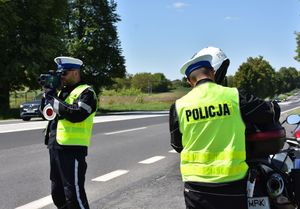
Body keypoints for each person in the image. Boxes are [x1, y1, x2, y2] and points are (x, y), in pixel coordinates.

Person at [169, 46, 281, 209]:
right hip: (232, 184)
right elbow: (267, 113)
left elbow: (178, 145)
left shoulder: (178, 107)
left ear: (189, 81)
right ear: (213, 72)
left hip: (195, 187)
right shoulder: (235, 96)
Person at [41, 56, 97, 209]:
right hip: (55, 146)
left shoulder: (87, 92)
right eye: (60, 74)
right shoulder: (60, 94)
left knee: (73, 195)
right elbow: (46, 114)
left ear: (75, 73)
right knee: (58, 194)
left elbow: (76, 114)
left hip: (72, 149)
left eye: (64, 73)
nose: (61, 77)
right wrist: (47, 96)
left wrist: (53, 99)